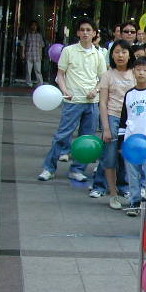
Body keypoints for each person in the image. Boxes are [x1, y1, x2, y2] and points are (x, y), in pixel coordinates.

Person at [38, 17, 107, 182]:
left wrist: (96, 90)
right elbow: (60, 74)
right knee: (62, 135)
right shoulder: (68, 51)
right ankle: (49, 168)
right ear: (77, 33)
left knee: (86, 139)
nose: (85, 33)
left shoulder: (99, 55)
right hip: (73, 101)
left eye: (88, 30)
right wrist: (65, 90)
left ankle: (77, 169)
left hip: (92, 103)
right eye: (82, 30)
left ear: (94, 33)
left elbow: (103, 78)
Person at [91, 40, 136, 209]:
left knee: (127, 156)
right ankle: (111, 193)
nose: (120, 55)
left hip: (131, 120)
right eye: (116, 52)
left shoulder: (135, 73)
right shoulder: (108, 75)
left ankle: (125, 188)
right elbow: (102, 103)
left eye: (124, 52)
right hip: (112, 117)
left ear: (130, 55)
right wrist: (106, 128)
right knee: (109, 156)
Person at [119, 56, 146, 216]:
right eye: (138, 69)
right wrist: (121, 141)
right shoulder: (129, 94)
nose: (141, 73)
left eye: (145, 70)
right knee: (132, 174)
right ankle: (134, 202)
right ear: (133, 71)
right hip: (131, 140)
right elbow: (124, 118)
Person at [21, 20, 45, 87]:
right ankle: (28, 82)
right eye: (32, 25)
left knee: (38, 70)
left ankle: (40, 83)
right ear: (30, 26)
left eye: (35, 25)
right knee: (28, 70)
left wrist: (41, 55)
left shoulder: (39, 36)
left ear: (37, 27)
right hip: (29, 54)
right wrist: (23, 53)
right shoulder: (27, 35)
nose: (34, 27)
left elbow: (41, 46)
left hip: (37, 55)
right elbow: (23, 45)